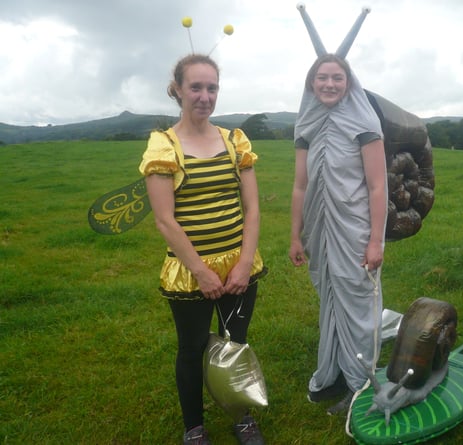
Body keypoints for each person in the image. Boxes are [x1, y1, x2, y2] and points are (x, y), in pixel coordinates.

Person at [139, 54, 267, 445]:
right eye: (196, 87)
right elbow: (165, 220)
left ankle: (240, 415)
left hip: (238, 265)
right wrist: (200, 271)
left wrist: (244, 264)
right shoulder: (164, 145)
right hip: (190, 270)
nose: (204, 96)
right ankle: (194, 427)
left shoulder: (234, 141)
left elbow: (253, 208)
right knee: (192, 349)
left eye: (211, 87)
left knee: (235, 344)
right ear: (177, 89)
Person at [289, 53, 388, 415]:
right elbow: (301, 185)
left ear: (349, 84)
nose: (329, 84)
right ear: (311, 84)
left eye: (337, 78)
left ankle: (361, 383)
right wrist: (295, 236)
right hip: (320, 228)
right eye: (321, 78)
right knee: (330, 295)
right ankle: (332, 372)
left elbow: (378, 186)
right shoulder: (306, 125)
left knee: (358, 300)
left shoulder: (363, 123)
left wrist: (376, 239)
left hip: (355, 228)